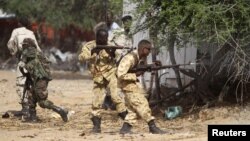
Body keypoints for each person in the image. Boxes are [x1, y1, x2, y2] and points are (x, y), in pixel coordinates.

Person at [78, 29, 128, 133]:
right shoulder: (90, 45)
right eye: (100, 38)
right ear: (96, 37)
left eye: (104, 39)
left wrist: (112, 53)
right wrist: (92, 53)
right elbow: (81, 58)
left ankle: (128, 123)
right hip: (98, 77)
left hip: (111, 74)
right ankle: (96, 127)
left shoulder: (110, 45)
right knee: (96, 102)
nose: (103, 40)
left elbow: (119, 57)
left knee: (116, 97)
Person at [117, 39, 166, 134]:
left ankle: (125, 129)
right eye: (149, 49)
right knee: (142, 104)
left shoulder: (141, 57)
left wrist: (152, 66)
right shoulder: (130, 58)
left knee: (132, 109)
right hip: (127, 85)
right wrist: (135, 75)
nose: (149, 52)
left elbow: (140, 68)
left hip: (131, 84)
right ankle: (152, 127)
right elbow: (120, 74)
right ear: (143, 49)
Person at [19, 38, 68, 122]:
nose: (23, 47)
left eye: (24, 45)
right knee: (31, 97)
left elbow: (22, 65)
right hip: (40, 78)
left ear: (26, 45)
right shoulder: (38, 53)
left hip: (40, 79)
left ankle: (60, 111)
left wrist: (24, 70)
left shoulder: (28, 51)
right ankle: (33, 118)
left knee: (42, 102)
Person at [7, 17, 42, 117]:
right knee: (31, 83)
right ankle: (32, 110)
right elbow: (37, 48)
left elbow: (10, 44)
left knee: (21, 83)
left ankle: (25, 109)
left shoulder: (16, 31)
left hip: (23, 60)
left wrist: (14, 52)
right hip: (34, 62)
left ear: (19, 23)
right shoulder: (31, 33)